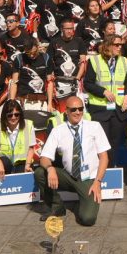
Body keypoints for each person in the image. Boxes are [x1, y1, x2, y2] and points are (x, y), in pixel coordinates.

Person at [33, 96, 110, 226]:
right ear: (66, 111)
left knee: (87, 219)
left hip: (89, 179)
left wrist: (97, 182)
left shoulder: (94, 127)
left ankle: (84, 200)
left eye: (80, 109)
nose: (78, 112)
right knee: (40, 172)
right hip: (68, 176)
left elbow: (104, 157)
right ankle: (57, 206)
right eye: (73, 109)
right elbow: (44, 157)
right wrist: (50, 169)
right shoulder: (58, 130)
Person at [83, 37, 127, 164]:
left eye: (121, 44)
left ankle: (113, 171)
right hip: (100, 109)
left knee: (115, 143)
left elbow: (126, 83)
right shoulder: (95, 61)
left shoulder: (124, 60)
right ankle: (102, 171)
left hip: (118, 109)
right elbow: (87, 83)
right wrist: (103, 92)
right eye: (116, 44)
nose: (120, 47)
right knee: (102, 143)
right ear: (108, 45)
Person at [0, 100, 36, 176]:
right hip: (4, 163)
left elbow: (31, 149)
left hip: (22, 163)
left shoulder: (28, 125)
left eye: (16, 114)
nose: (13, 117)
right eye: (10, 115)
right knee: (4, 163)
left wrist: (27, 165)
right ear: (5, 115)